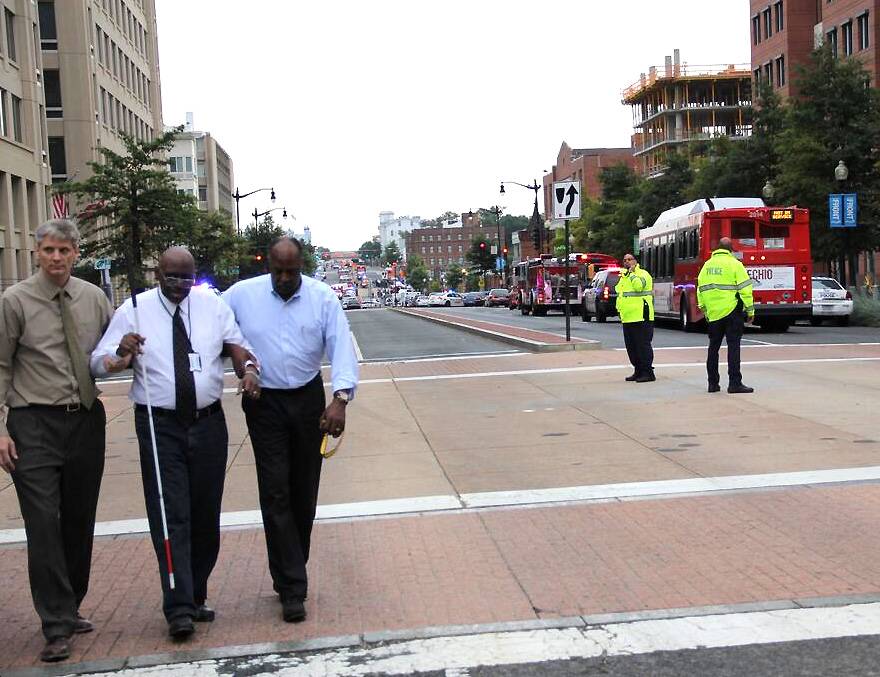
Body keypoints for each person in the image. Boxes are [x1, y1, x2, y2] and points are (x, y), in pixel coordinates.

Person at [91, 247, 257, 640]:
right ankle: (178, 607)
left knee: (204, 516)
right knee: (170, 515)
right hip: (159, 424)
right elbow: (98, 361)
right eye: (171, 278)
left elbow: (237, 345)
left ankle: (195, 594)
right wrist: (120, 355)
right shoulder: (133, 309)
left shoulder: (211, 306)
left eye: (186, 278)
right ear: (158, 273)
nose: (179, 286)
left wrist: (248, 370)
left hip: (209, 423)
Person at [223, 237, 359, 624]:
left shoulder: (322, 299)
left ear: (303, 266)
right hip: (263, 401)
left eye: (292, 271)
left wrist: (341, 398)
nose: (284, 278)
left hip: (307, 400)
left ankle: (291, 565)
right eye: (278, 271)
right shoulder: (242, 295)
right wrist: (238, 356)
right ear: (267, 264)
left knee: (304, 492)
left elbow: (341, 347)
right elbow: (214, 323)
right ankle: (291, 586)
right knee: (275, 490)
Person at [0, 219, 114, 662]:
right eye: (48, 250)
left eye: (64, 251)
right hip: (33, 423)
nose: (56, 258)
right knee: (43, 522)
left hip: (85, 419)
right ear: (36, 253)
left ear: (75, 253)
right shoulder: (14, 302)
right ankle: (56, 624)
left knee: (78, 519)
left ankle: (71, 602)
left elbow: (106, 353)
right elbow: (1, 366)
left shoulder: (93, 298)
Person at [697, 237, 755, 394]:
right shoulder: (735, 264)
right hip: (731, 310)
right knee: (733, 347)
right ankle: (734, 383)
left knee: (713, 348)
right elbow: (745, 289)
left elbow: (700, 288)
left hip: (714, 313)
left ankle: (712, 383)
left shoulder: (707, 266)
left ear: (717, 248)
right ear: (731, 250)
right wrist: (750, 310)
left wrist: (705, 309)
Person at [615, 253, 655, 383]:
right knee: (631, 347)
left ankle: (648, 372)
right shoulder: (624, 277)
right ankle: (638, 370)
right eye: (625, 260)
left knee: (642, 345)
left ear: (635, 261)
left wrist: (632, 274)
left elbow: (638, 287)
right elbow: (619, 292)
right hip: (628, 317)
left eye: (630, 259)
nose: (627, 262)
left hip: (641, 316)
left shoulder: (643, 274)